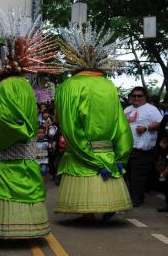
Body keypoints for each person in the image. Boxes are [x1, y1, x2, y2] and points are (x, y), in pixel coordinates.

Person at [0, 11, 60, 239]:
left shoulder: (7, 86)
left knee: (4, 191)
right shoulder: (18, 84)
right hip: (15, 157)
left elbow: (12, 124)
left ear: (6, 54)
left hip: (6, 155)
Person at [54, 24, 133, 220]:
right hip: (107, 152)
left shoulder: (68, 87)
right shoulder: (108, 85)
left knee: (85, 184)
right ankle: (104, 206)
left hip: (82, 152)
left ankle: (87, 213)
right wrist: (121, 158)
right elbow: (121, 125)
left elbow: (70, 127)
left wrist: (89, 157)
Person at [124, 86, 163, 207]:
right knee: (129, 174)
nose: (136, 98)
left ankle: (135, 199)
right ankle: (135, 197)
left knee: (138, 175)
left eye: (139, 96)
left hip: (142, 148)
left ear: (145, 97)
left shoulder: (151, 109)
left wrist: (146, 128)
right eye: (134, 96)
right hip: (127, 147)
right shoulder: (127, 110)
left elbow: (159, 123)